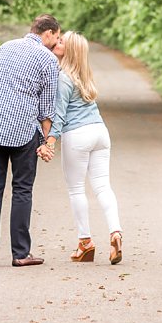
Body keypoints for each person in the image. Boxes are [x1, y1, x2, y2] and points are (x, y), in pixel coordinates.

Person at [0, 13, 62, 267]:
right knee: (22, 189)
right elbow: (46, 110)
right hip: (22, 130)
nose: (56, 44)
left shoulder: (4, 48)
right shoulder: (47, 59)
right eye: (56, 38)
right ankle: (21, 254)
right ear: (48, 33)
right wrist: (48, 142)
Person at [43, 31, 123, 265]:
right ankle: (115, 232)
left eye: (61, 41)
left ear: (68, 50)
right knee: (102, 187)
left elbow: (58, 115)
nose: (57, 43)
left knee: (77, 190)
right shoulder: (84, 75)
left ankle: (85, 243)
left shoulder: (63, 78)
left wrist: (50, 142)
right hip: (100, 132)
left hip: (78, 134)